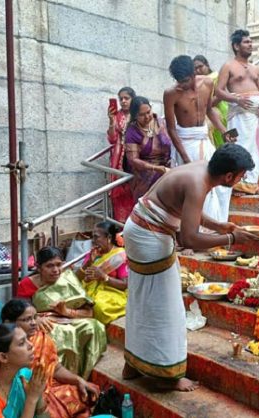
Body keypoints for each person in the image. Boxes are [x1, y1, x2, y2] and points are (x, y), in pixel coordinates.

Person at [121, 143, 259, 392]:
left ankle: (133, 364)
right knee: (168, 307)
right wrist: (231, 239)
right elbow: (189, 239)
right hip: (150, 235)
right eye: (240, 176)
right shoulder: (198, 183)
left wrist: (220, 226)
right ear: (229, 176)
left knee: (141, 300)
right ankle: (167, 375)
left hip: (139, 229)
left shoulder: (200, 170)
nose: (241, 180)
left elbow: (187, 211)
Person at [164, 55, 234, 225]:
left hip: (204, 140)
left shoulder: (208, 84)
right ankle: (194, 231)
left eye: (186, 80)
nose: (183, 85)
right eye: (179, 81)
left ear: (194, 74)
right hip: (185, 143)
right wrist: (186, 159)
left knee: (220, 183)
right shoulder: (171, 94)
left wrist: (224, 131)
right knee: (195, 188)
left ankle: (216, 226)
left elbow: (209, 110)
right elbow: (171, 130)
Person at [17, 246, 107, 379]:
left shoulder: (67, 279)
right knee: (62, 334)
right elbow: (21, 312)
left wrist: (66, 311)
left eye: (59, 265)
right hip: (45, 323)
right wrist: (36, 319)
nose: (56, 270)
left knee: (95, 326)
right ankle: (59, 378)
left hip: (69, 318)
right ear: (38, 267)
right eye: (49, 266)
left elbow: (89, 313)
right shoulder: (27, 284)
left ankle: (83, 375)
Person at [1, 299, 99, 418]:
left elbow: (55, 369)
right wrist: (33, 396)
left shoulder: (41, 338)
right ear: (8, 323)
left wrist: (78, 380)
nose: (33, 323)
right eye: (27, 319)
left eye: (35, 317)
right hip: (19, 395)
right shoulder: (0, 347)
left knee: (86, 391)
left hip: (43, 388)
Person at [215, 30, 259, 194]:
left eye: (251, 42)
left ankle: (253, 184)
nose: (250, 45)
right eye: (246, 42)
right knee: (241, 147)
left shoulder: (255, 68)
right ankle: (239, 184)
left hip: (256, 115)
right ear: (236, 46)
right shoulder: (228, 66)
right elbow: (219, 91)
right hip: (239, 115)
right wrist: (237, 100)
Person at [76, 221, 129, 325]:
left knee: (99, 306)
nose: (93, 240)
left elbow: (124, 285)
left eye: (96, 237)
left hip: (111, 293)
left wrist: (104, 277)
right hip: (88, 290)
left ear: (108, 238)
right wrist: (88, 263)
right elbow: (77, 278)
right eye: (92, 237)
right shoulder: (93, 254)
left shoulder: (120, 256)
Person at [123, 96, 173, 201]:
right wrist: (156, 168)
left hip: (169, 167)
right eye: (141, 115)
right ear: (135, 116)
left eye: (148, 112)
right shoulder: (132, 132)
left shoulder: (162, 123)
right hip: (146, 174)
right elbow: (133, 160)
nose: (147, 117)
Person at [107, 86, 137, 222]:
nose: (123, 101)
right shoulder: (117, 115)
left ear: (133, 99)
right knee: (120, 191)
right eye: (121, 99)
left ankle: (135, 225)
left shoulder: (139, 114)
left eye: (127, 98)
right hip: (119, 158)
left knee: (135, 190)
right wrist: (112, 121)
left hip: (136, 156)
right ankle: (121, 227)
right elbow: (112, 139)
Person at [193, 55, 229, 149]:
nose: (198, 70)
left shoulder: (215, 77)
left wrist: (206, 106)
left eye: (200, 67)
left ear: (207, 65)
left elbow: (220, 94)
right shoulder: (195, 83)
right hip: (206, 115)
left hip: (220, 111)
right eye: (195, 68)